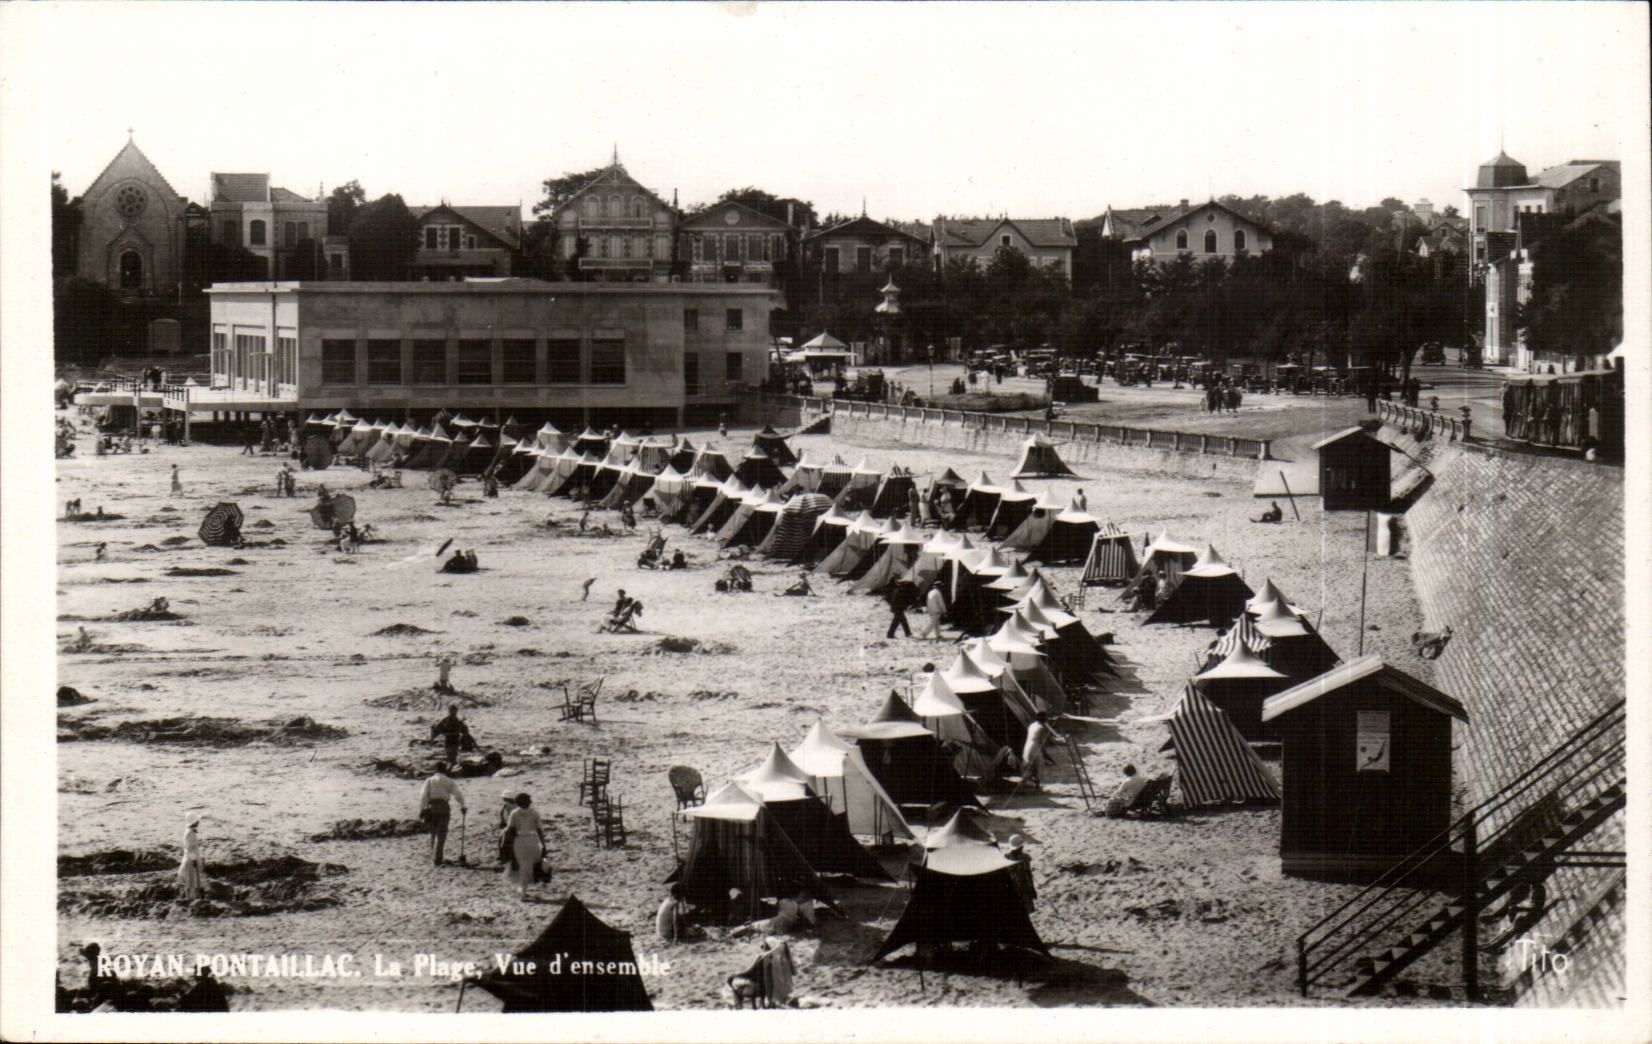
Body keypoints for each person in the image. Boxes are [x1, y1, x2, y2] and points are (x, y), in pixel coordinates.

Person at [417, 763, 467, 866]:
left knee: (433, 832)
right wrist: (462, 806)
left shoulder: (429, 781)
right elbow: (457, 794)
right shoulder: (448, 781)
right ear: (444, 770)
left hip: (432, 808)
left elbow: (423, 796)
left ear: (435, 770)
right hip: (444, 808)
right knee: (442, 833)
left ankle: (434, 855)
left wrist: (421, 810)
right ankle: (438, 857)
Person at [502, 792, 547, 900]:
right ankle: (523, 890)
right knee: (530, 865)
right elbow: (539, 830)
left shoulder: (514, 813)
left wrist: (505, 843)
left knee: (523, 866)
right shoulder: (535, 813)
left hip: (519, 841)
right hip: (532, 841)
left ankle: (523, 891)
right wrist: (543, 844)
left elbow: (509, 829)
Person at [1021, 714, 1057, 789]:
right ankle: (1037, 785)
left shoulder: (1032, 725)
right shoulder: (1042, 727)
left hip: (1027, 745)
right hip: (1035, 746)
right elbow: (1042, 741)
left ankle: (1024, 782)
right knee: (1039, 765)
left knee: (1028, 764)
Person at [1004, 834, 1036, 912]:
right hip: (1024, 889)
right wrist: (1032, 889)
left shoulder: (1006, 858)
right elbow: (1028, 875)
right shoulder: (1025, 858)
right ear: (1021, 846)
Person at [177, 815, 205, 900]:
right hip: (191, 859)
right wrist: (194, 860)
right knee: (192, 879)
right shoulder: (190, 833)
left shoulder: (189, 832)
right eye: (197, 821)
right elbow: (189, 848)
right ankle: (190, 898)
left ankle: (189, 897)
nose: (198, 823)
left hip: (190, 857)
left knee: (191, 879)